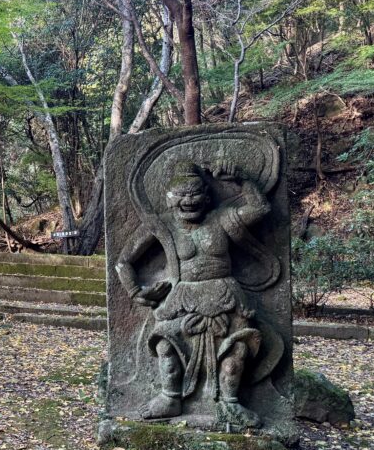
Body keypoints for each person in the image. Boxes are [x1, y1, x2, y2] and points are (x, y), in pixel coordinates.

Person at [115, 160, 271, 428]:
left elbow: (260, 208)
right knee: (165, 345)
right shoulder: (161, 226)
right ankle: (170, 397)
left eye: (196, 194)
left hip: (225, 294)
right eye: (182, 195)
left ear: (208, 196)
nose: (189, 201)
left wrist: (242, 179)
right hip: (180, 296)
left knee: (238, 349)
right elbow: (124, 261)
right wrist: (135, 291)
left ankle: (231, 402)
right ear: (169, 198)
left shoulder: (222, 218)